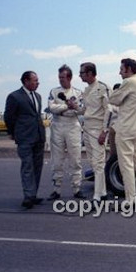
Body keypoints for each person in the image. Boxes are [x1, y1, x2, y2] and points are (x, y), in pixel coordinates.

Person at [109, 58, 136, 204]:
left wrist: (111, 91)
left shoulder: (129, 82)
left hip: (126, 129)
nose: (119, 72)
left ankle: (131, 199)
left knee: (126, 164)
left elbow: (114, 100)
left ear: (129, 69)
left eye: (121, 69)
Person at [4, 71, 46, 209]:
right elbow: (9, 117)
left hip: (38, 136)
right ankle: (28, 197)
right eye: (35, 80)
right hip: (24, 137)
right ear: (26, 81)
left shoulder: (38, 96)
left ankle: (33, 195)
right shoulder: (14, 96)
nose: (38, 83)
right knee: (27, 166)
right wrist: (12, 132)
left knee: (37, 167)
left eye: (37, 80)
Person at [47, 65, 84, 201]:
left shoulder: (78, 93)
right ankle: (56, 190)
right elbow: (52, 108)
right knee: (57, 160)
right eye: (59, 77)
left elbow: (81, 110)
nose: (61, 80)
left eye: (63, 77)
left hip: (72, 125)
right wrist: (67, 107)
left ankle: (77, 188)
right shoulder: (54, 92)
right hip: (58, 125)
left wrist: (67, 108)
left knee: (75, 158)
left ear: (69, 77)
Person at [79, 62, 111, 202]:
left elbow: (109, 111)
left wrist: (105, 132)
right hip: (87, 128)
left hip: (98, 129)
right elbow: (85, 110)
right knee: (93, 162)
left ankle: (97, 196)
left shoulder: (103, 88)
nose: (80, 75)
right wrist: (74, 107)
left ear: (90, 73)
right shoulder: (86, 90)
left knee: (98, 163)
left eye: (82, 73)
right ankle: (102, 192)